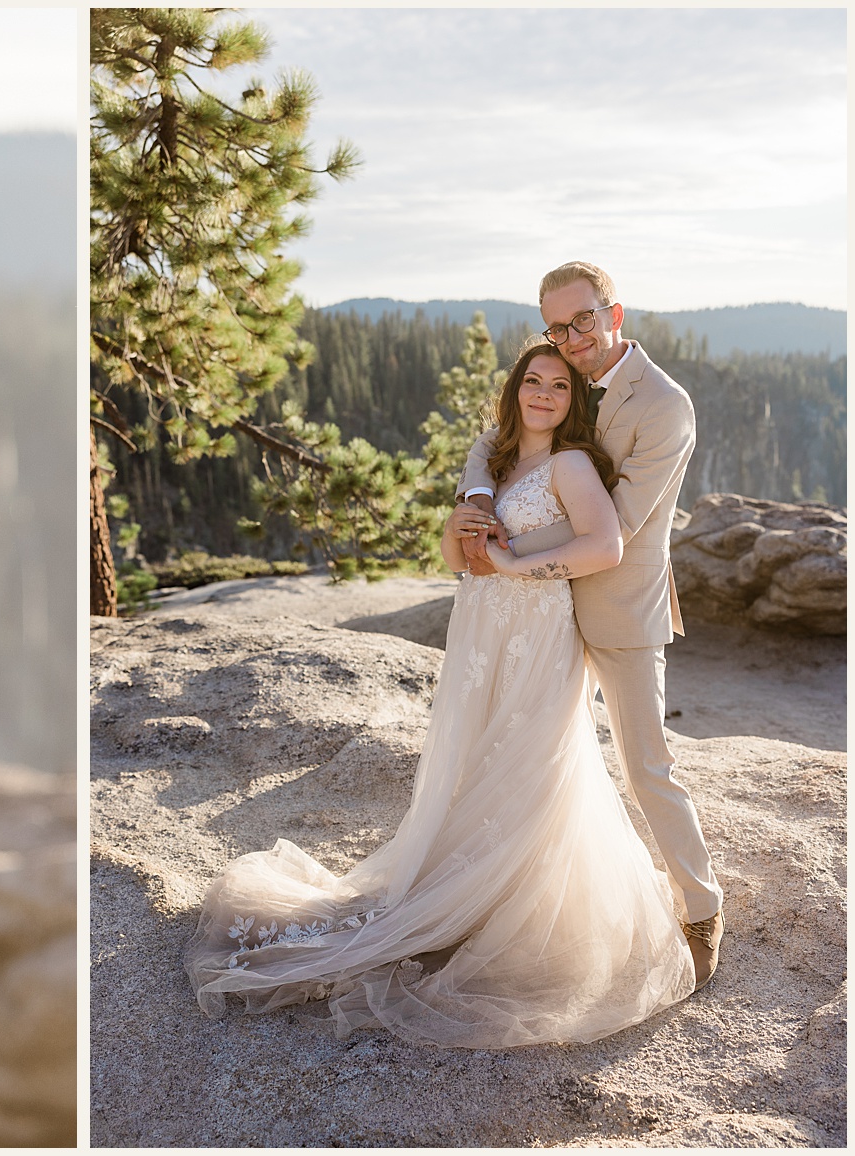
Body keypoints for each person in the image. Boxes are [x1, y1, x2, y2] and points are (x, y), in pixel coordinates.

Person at [181, 338, 697, 1048]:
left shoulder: (571, 464)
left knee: (531, 758)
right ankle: (469, 888)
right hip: (481, 627)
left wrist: (519, 564)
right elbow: (460, 560)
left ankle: (513, 901)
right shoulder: (498, 461)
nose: (544, 393)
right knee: (475, 755)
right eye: (533, 382)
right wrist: (461, 533)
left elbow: (603, 546)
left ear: (574, 400)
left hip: (537, 629)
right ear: (515, 392)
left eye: (558, 385)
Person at [456, 261, 720, 986]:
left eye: (583, 320)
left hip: (617, 606)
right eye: (556, 326)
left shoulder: (665, 405)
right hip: (542, 615)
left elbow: (619, 529)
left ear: (615, 313)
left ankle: (700, 907)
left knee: (645, 765)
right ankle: (517, 901)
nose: (571, 338)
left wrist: (499, 548)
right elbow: (497, 437)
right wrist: (480, 497)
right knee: (530, 755)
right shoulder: (561, 380)